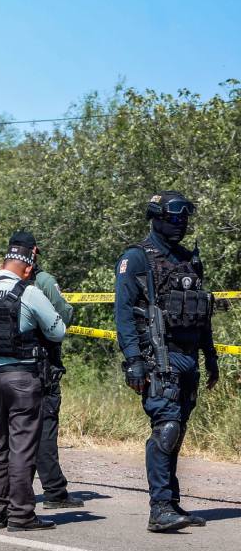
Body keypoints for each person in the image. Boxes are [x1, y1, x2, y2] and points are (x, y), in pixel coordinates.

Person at [115, 190, 218, 532]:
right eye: (174, 217)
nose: (181, 223)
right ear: (156, 217)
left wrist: (211, 356)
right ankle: (159, 508)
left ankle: (171, 502)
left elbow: (201, 313)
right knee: (166, 428)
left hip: (189, 357)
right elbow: (125, 315)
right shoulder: (137, 258)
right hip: (159, 357)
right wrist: (133, 361)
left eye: (185, 217)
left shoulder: (189, 259)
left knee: (179, 430)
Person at [0, 233, 66, 531]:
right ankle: (21, 515)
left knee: (0, 443)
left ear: (2, 262)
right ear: (29, 269)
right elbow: (58, 331)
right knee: (22, 446)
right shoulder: (29, 293)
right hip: (23, 378)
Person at [24, 235, 85, 510]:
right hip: (42, 366)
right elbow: (65, 315)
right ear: (34, 253)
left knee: (15, 432)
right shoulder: (44, 281)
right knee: (45, 429)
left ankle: (15, 491)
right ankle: (55, 492)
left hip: (8, 370)